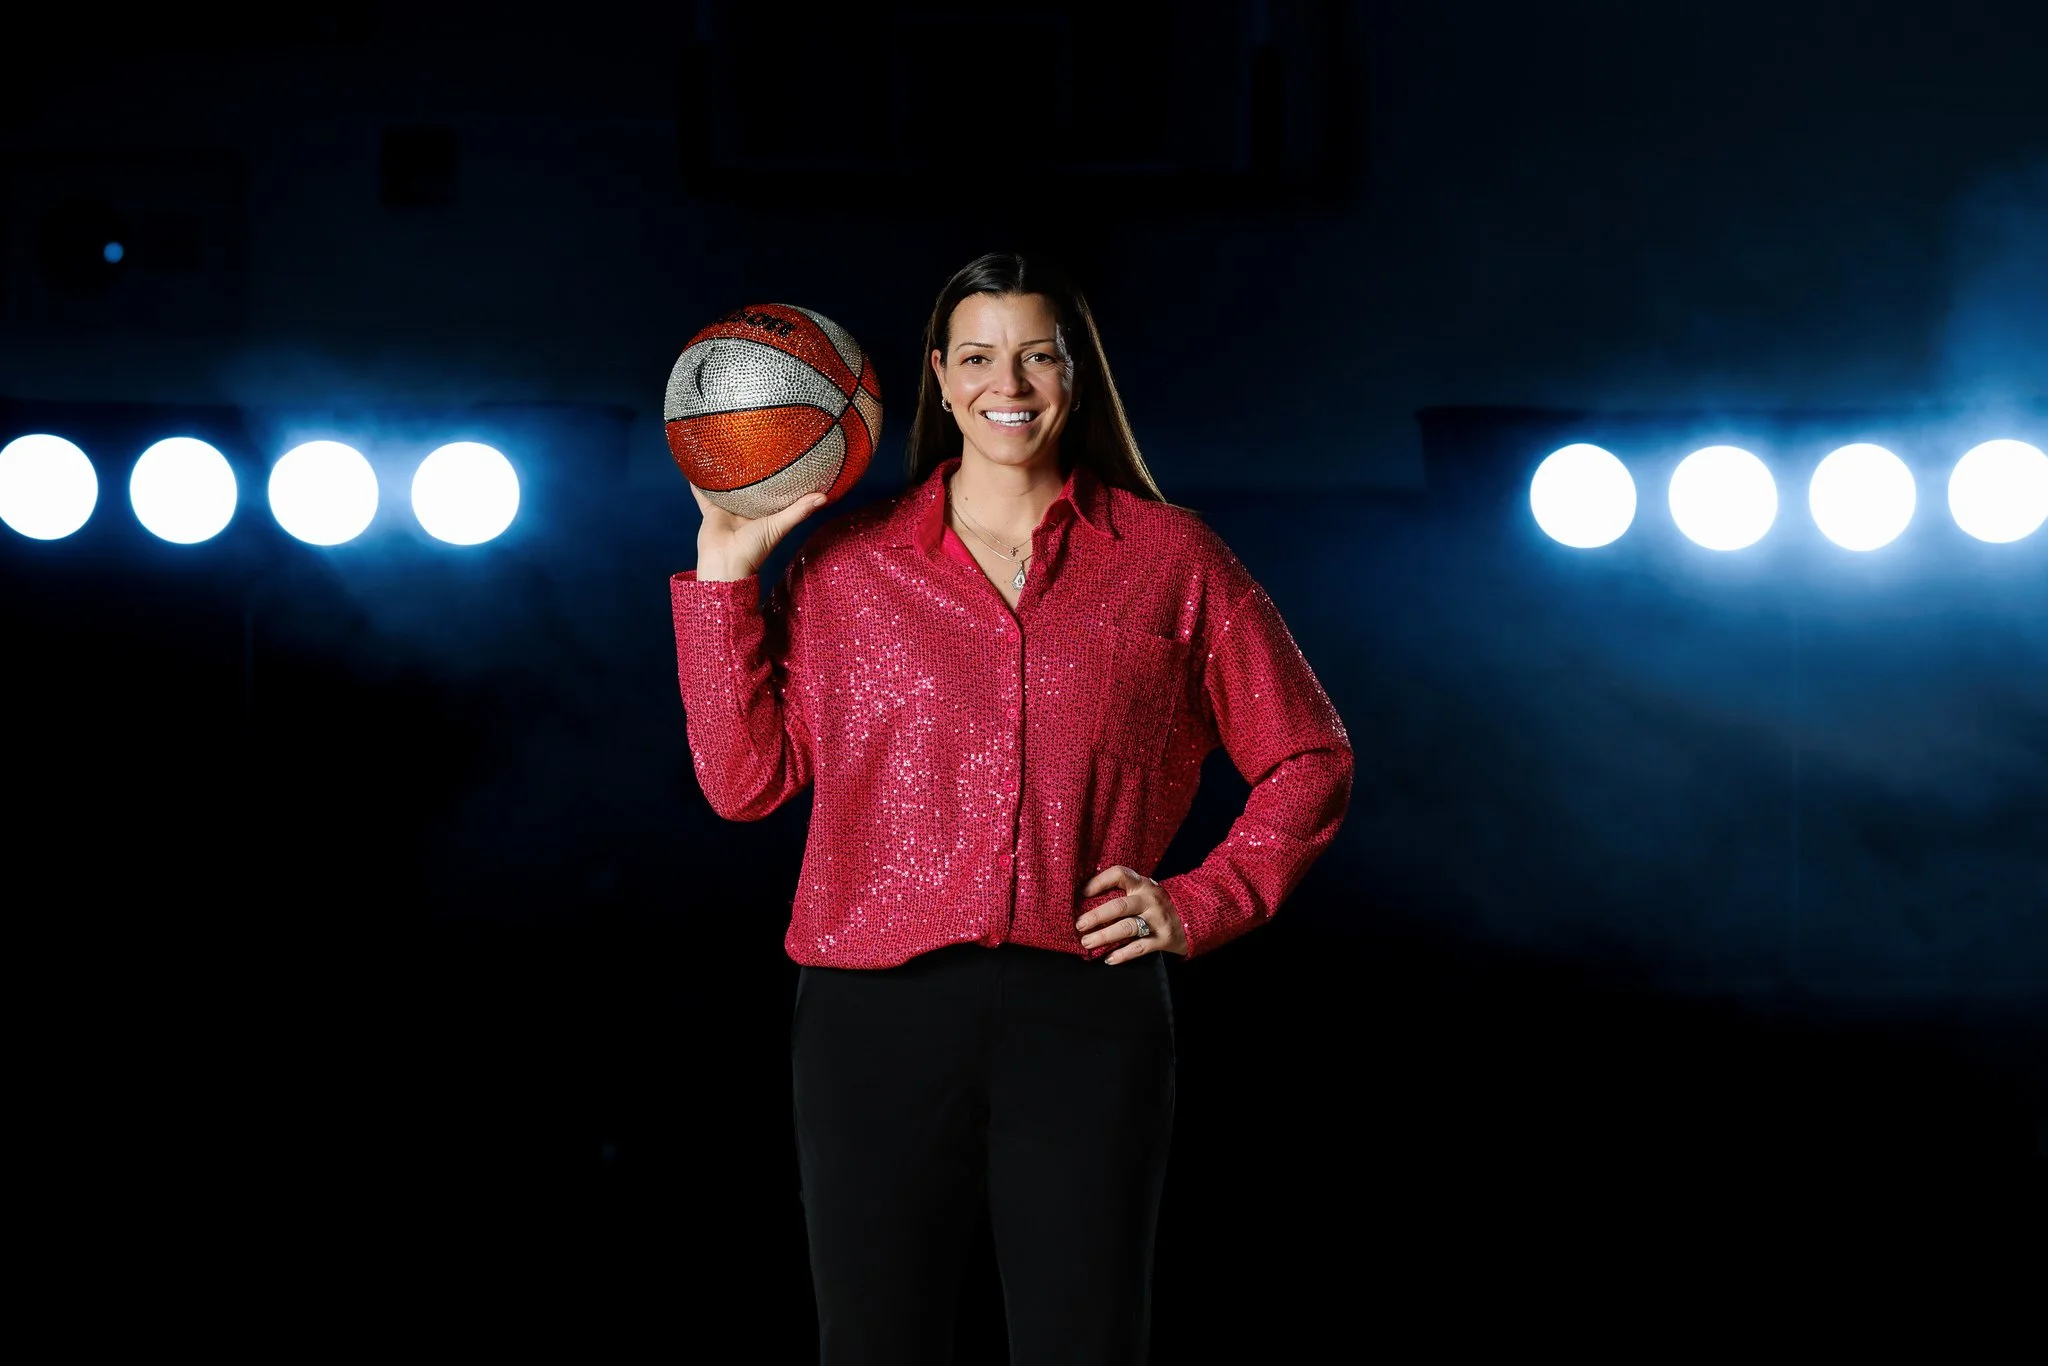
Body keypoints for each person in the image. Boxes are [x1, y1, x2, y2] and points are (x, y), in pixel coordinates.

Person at [669, 252, 1353, 1365]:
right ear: (936, 379)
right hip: (866, 1019)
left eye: (1039, 354)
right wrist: (723, 573)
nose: (1011, 384)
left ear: (1076, 374)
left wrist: (1202, 901)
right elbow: (743, 784)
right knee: (874, 1345)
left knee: (1084, 1343)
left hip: (1087, 1012)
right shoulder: (844, 569)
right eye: (980, 356)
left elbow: (1309, 754)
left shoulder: (1172, 561)